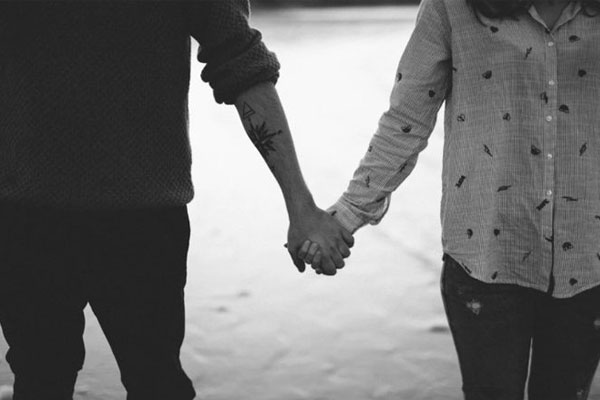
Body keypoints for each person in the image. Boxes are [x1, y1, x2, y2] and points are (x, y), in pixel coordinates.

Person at [0, 1, 352, 399]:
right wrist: (301, 208)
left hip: (131, 218)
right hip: (32, 214)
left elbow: (242, 60)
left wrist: (300, 206)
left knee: (141, 379)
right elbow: (242, 61)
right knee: (47, 376)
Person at [299, 0, 600, 399]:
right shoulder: (451, 7)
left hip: (589, 260)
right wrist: (345, 216)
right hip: (484, 259)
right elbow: (406, 119)